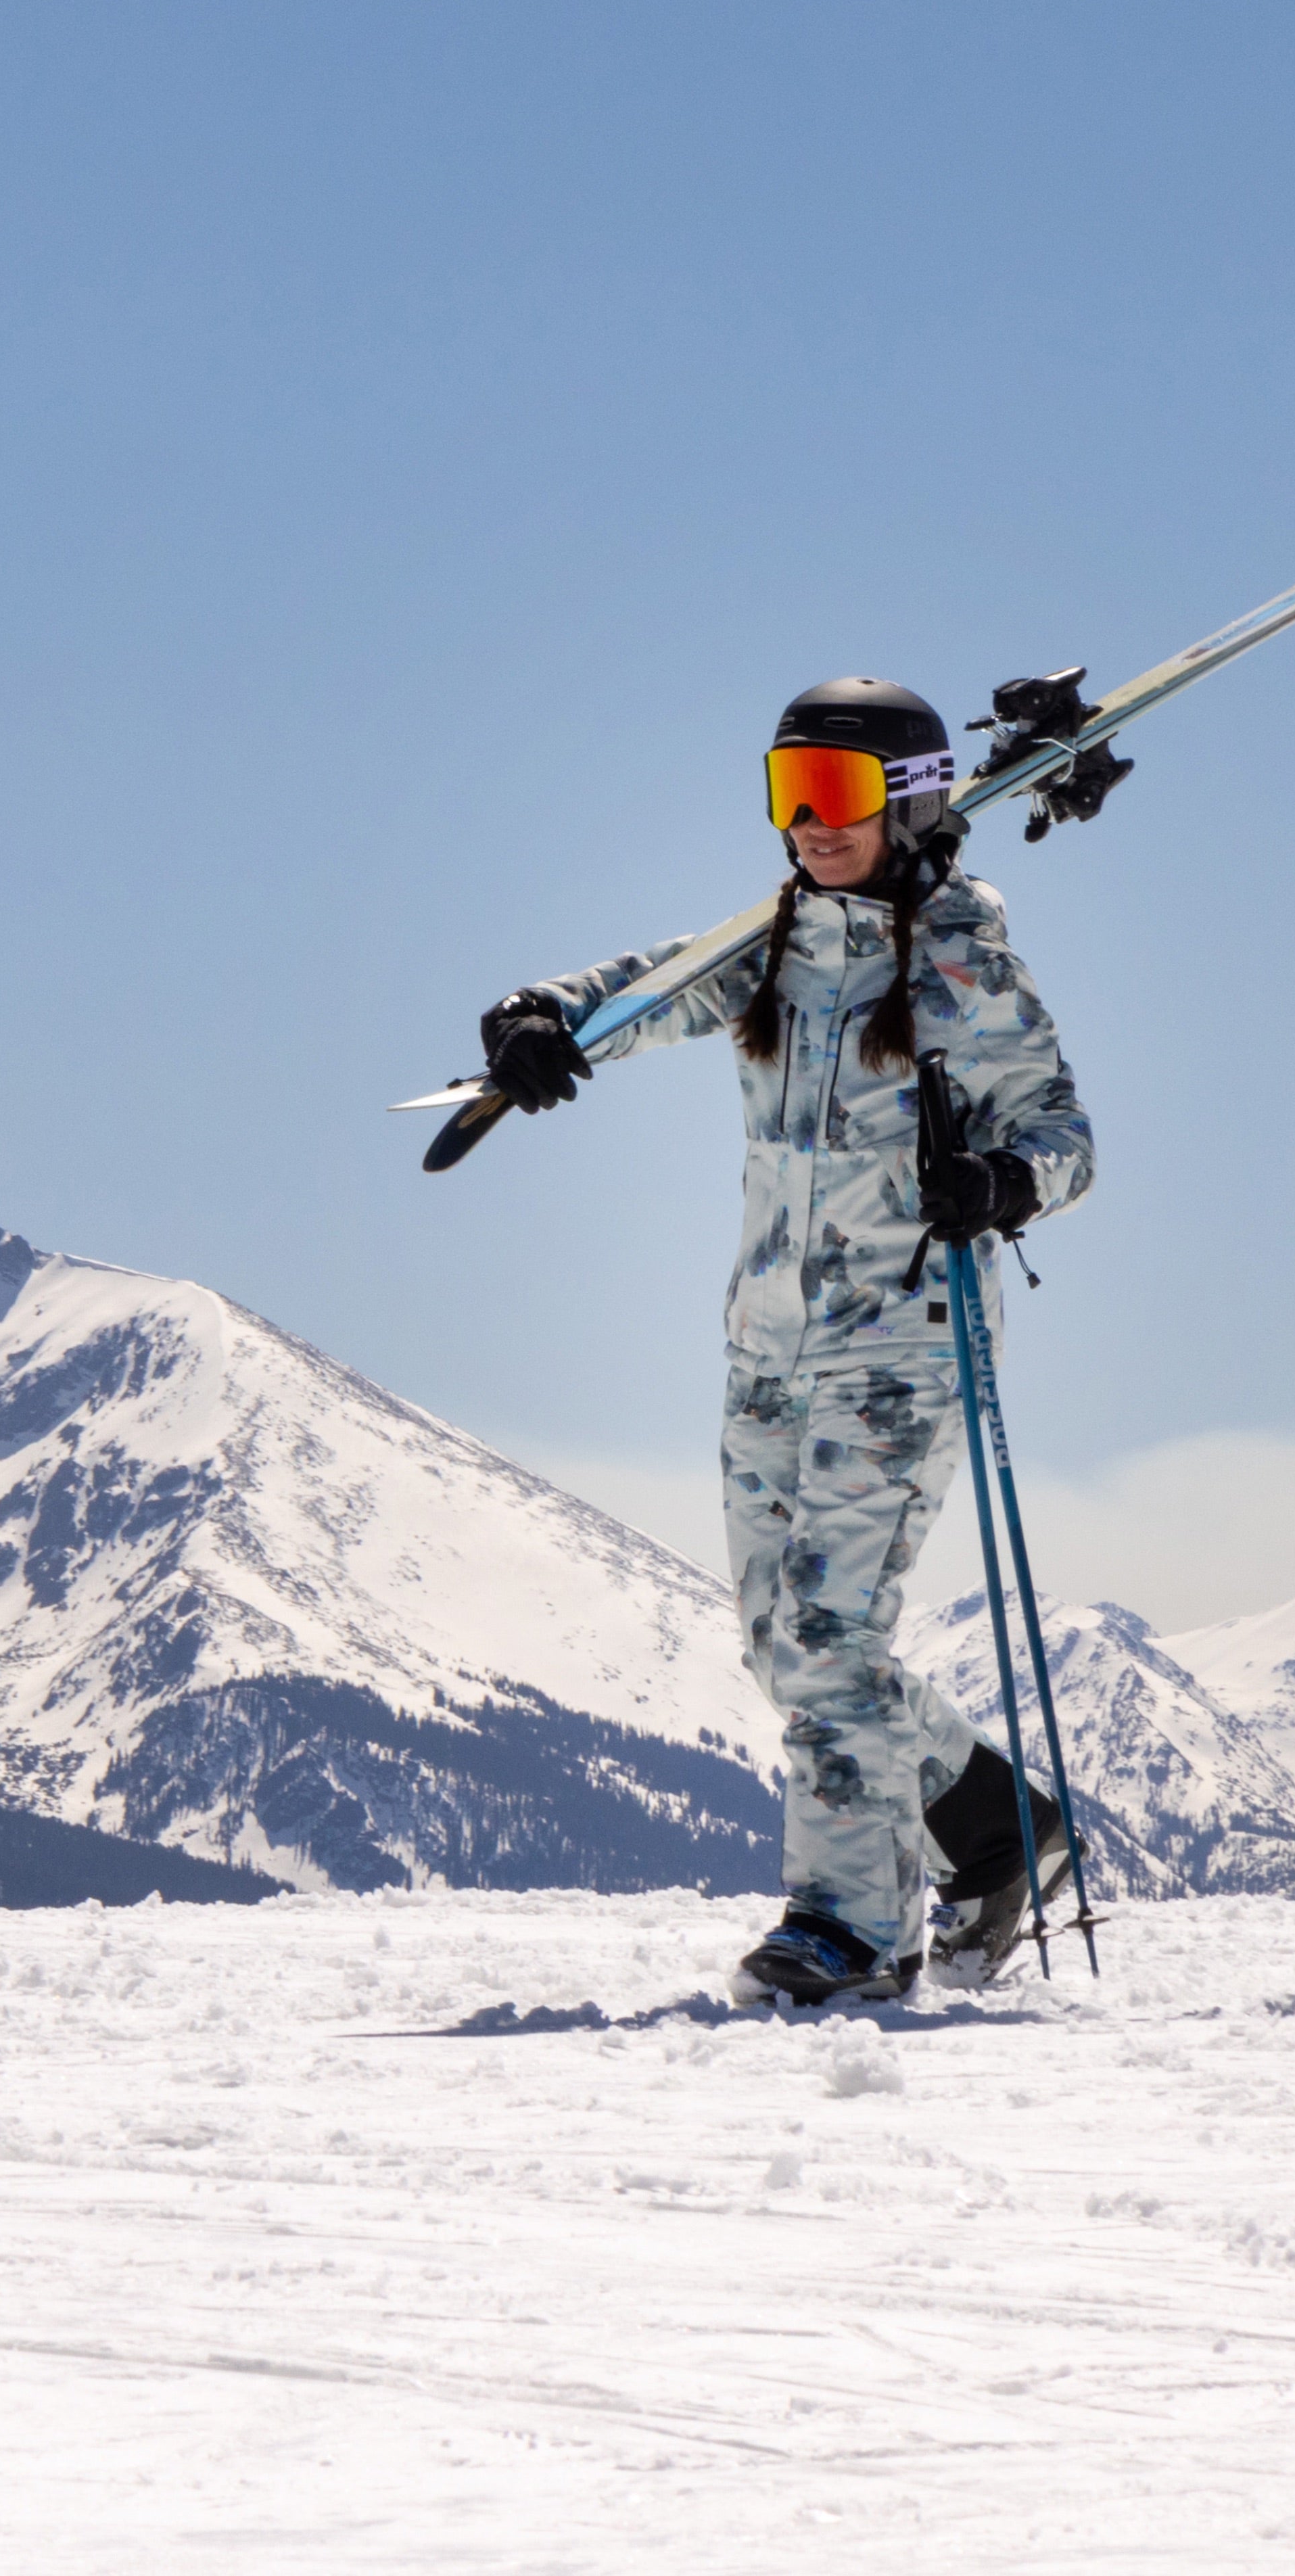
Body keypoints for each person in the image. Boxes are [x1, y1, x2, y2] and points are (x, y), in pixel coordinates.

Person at [475, 676, 1093, 2006]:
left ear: (912, 802)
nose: (811, 824)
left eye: (840, 795)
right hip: (767, 1345)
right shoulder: (766, 943)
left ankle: (852, 1926)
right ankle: (997, 1825)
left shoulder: (962, 960)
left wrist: (1000, 1184)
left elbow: (1064, 1135)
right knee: (788, 1646)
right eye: (790, 791)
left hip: (902, 1347)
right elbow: (649, 984)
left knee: (822, 1638)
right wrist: (543, 1015)